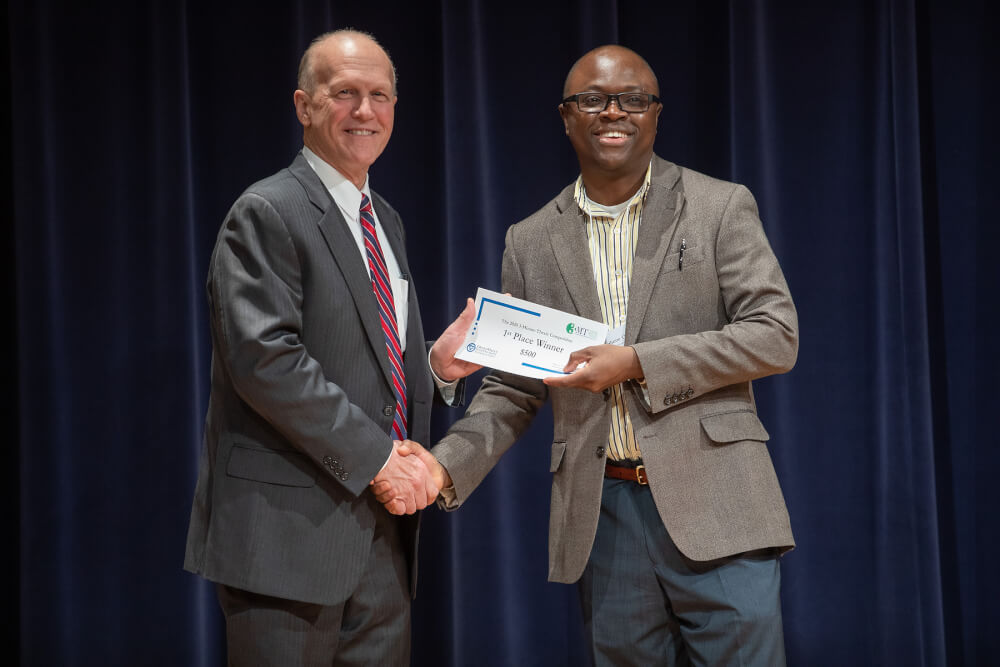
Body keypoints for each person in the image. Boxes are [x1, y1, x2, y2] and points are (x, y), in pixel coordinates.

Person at [386, 45, 799, 665]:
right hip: (602, 519)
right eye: (593, 99)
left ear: (655, 115)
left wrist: (636, 361)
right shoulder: (529, 240)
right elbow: (514, 390)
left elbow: (774, 334)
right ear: (565, 116)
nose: (614, 111)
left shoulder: (719, 206)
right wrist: (442, 469)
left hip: (721, 509)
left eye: (632, 99)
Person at [183, 29, 477, 665]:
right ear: (303, 105)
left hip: (382, 540)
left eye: (380, 95)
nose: (365, 111)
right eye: (344, 93)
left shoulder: (386, 220)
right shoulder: (267, 210)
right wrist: (380, 459)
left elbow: (364, 362)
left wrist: (433, 368)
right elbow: (266, 362)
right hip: (288, 540)